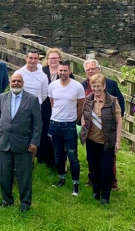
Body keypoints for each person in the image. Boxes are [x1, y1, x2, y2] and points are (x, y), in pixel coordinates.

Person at [0, 73, 42, 212]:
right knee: (4, 174)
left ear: (23, 83)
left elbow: (38, 124)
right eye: (14, 81)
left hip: (24, 144)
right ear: (10, 82)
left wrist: (34, 142)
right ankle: (6, 199)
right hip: (4, 142)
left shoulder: (31, 99)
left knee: (24, 176)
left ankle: (25, 202)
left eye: (19, 81)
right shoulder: (2, 97)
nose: (16, 83)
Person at [81, 59, 124, 191]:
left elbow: (120, 104)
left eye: (92, 68)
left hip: (107, 129)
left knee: (108, 161)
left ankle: (112, 182)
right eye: (87, 69)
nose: (90, 71)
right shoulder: (83, 86)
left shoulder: (111, 84)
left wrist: (115, 125)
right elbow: (83, 110)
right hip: (92, 131)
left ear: (99, 69)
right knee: (92, 159)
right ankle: (93, 180)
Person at [48, 60, 85, 196]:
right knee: (58, 155)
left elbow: (80, 106)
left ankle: (75, 183)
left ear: (70, 71)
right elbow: (53, 103)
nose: (63, 73)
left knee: (72, 156)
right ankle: (61, 178)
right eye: (60, 70)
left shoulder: (77, 87)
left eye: (65, 70)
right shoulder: (52, 86)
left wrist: (73, 120)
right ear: (58, 71)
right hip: (55, 124)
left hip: (69, 125)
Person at [39, 48, 74, 166]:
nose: (53, 60)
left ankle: (58, 162)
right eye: (51, 58)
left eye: (56, 58)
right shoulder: (42, 71)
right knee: (44, 134)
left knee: (58, 137)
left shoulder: (65, 73)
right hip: (45, 108)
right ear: (47, 60)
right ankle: (43, 159)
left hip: (61, 109)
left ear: (60, 59)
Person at [15, 49, 48, 164]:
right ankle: (19, 158)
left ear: (38, 60)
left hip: (36, 110)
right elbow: (14, 91)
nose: (33, 61)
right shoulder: (20, 73)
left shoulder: (43, 76)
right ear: (26, 58)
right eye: (30, 58)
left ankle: (31, 161)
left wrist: (35, 104)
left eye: (35, 58)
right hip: (20, 109)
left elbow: (44, 94)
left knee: (34, 135)